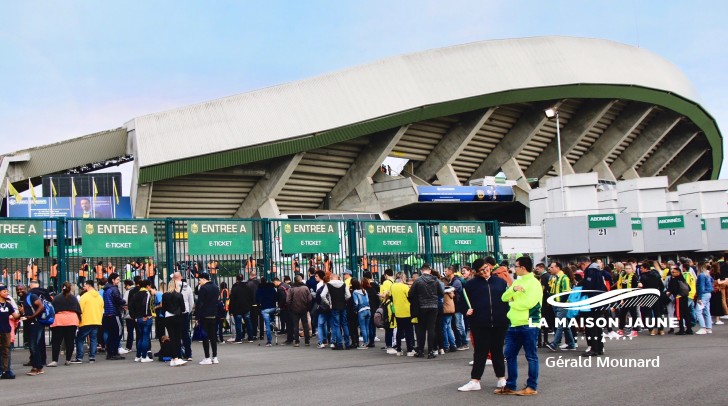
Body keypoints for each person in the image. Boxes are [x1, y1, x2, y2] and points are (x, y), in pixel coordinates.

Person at [458, 257, 509, 392]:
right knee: (480, 353)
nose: (485, 272)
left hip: (499, 322)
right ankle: (475, 380)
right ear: (476, 272)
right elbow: (462, 302)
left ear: (489, 266)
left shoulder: (501, 282)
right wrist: (466, 310)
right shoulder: (470, 285)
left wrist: (507, 316)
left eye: (486, 268)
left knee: (498, 351)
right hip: (479, 323)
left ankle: (501, 378)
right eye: (481, 270)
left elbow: (509, 300)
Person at [495, 256, 541, 396]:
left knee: (531, 356)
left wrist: (512, 302)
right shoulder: (518, 281)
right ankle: (510, 385)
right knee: (509, 355)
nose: (513, 268)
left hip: (529, 324)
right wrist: (514, 289)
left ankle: (531, 387)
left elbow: (529, 303)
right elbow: (503, 297)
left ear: (523, 268)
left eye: (516, 266)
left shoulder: (534, 283)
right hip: (514, 324)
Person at [409, 264, 444, 358]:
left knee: (421, 329)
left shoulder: (418, 281)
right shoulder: (435, 280)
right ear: (430, 270)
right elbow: (441, 293)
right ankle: (430, 351)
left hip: (422, 307)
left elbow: (410, 294)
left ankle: (420, 351)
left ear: (421, 271)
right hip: (433, 306)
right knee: (431, 329)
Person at [545, 262, 577, 351]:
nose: (549, 269)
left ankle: (554, 344)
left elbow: (566, 292)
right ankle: (571, 344)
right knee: (564, 324)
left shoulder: (564, 278)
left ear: (558, 268)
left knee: (560, 324)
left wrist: (561, 302)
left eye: (552, 267)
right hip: (556, 304)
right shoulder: (555, 277)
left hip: (561, 305)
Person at [48, 282, 81, 367]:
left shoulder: (56, 298)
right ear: (70, 289)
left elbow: (52, 310)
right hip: (72, 320)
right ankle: (68, 360)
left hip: (59, 320)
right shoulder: (73, 298)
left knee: (56, 341)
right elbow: (78, 310)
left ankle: (55, 360)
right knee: (70, 341)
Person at [580, 257, 607, 357]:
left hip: (593, 301)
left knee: (592, 326)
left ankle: (594, 348)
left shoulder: (590, 271)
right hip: (600, 300)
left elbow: (588, 285)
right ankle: (599, 347)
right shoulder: (598, 270)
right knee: (597, 326)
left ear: (584, 264)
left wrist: (581, 288)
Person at [17, 284, 46, 376]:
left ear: (26, 289)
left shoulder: (31, 296)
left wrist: (32, 316)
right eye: (17, 290)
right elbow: (23, 313)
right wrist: (22, 314)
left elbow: (41, 307)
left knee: (34, 346)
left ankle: (36, 367)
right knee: (32, 346)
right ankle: (38, 366)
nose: (19, 291)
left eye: (21, 289)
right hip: (28, 324)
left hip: (35, 323)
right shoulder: (21, 300)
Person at [72, 280, 103, 364]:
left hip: (86, 321)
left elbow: (79, 309)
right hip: (96, 320)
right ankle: (92, 357)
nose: (84, 287)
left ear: (88, 286)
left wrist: (79, 320)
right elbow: (101, 308)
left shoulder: (84, 296)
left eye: (85, 286)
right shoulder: (99, 297)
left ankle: (79, 357)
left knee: (80, 339)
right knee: (93, 339)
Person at [321, 273, 352, 350]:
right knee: (345, 324)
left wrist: (329, 303)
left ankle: (339, 344)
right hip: (343, 306)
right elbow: (348, 295)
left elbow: (322, 295)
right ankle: (347, 344)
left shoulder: (328, 284)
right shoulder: (344, 284)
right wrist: (344, 300)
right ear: (337, 277)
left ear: (331, 277)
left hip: (334, 306)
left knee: (337, 325)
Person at [162, 279, 188, 366]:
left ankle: (174, 358)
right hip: (178, 317)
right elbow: (183, 309)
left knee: (172, 337)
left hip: (168, 317)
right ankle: (178, 357)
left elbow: (163, 308)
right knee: (178, 338)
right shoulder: (179, 295)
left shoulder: (165, 295)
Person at [196, 273, 220, 364]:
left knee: (205, 336)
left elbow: (200, 303)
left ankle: (207, 357)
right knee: (213, 336)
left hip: (204, 315)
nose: (199, 282)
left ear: (204, 279)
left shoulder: (203, 288)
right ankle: (215, 356)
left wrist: (197, 316)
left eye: (200, 280)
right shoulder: (216, 287)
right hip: (213, 313)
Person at [129, 279, 155, 362]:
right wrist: (146, 315)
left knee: (140, 337)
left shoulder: (136, 294)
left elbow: (131, 306)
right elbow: (146, 304)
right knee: (145, 337)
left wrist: (134, 317)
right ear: (147, 286)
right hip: (145, 318)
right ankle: (144, 356)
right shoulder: (147, 294)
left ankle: (138, 355)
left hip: (138, 318)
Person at [102, 273, 126, 360]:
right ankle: (114, 352)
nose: (119, 282)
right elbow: (118, 299)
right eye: (118, 280)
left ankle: (109, 352)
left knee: (111, 334)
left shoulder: (106, 289)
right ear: (113, 280)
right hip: (114, 313)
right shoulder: (114, 289)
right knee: (118, 333)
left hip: (107, 313)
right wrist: (124, 303)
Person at [390, 271, 414, 356]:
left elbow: (391, 297)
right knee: (408, 331)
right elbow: (410, 297)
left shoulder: (392, 286)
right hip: (406, 311)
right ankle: (410, 350)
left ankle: (399, 349)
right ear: (403, 277)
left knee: (399, 331)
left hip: (397, 311)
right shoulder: (405, 287)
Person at [445, 265, 468, 350]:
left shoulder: (456, 281)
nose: (445, 272)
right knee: (455, 325)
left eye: (446, 270)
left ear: (451, 271)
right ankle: (459, 342)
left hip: (458, 306)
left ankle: (464, 343)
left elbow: (452, 290)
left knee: (459, 325)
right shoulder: (451, 280)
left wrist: (445, 289)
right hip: (454, 306)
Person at [287, 274, 313, 347]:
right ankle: (307, 341)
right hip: (304, 309)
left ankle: (297, 341)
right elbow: (310, 299)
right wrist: (308, 307)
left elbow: (288, 300)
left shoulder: (291, 289)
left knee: (296, 325)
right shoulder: (305, 288)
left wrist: (290, 307)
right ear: (301, 280)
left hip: (294, 309)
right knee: (305, 325)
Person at [0, 284, 20, 379]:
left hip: (6, 330)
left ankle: (5, 371)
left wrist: (21, 312)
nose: (6, 293)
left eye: (7, 291)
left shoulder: (8, 304)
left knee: (6, 351)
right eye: (4, 291)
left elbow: (15, 315)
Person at [227, 274, 254, 343]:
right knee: (248, 322)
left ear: (237, 279)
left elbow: (232, 300)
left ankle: (239, 338)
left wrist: (230, 310)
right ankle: (250, 337)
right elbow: (251, 298)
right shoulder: (247, 287)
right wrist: (249, 305)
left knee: (238, 324)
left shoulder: (235, 288)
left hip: (237, 308)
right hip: (246, 308)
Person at [666, 267, 694, 335]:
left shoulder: (674, 280)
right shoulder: (683, 279)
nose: (672, 273)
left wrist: (669, 292)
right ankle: (689, 329)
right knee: (686, 313)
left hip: (678, 297)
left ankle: (681, 329)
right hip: (685, 297)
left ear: (678, 272)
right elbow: (689, 289)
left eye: (673, 272)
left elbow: (673, 289)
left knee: (679, 314)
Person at [256, 277, 277, 347]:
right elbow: (276, 297)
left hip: (265, 308)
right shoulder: (272, 288)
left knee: (267, 325)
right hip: (273, 307)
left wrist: (259, 306)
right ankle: (272, 322)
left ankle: (269, 341)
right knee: (271, 317)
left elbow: (257, 299)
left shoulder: (260, 289)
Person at [351, 278, 372, 349]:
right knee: (367, 327)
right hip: (368, 309)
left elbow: (356, 303)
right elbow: (368, 300)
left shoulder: (355, 292)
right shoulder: (364, 291)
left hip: (361, 310)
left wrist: (355, 310)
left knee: (362, 328)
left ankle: (365, 343)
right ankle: (367, 342)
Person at [695, 262, 713, 334]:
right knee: (706, 311)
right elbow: (711, 281)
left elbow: (701, 287)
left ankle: (703, 328)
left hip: (703, 294)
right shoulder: (707, 274)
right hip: (708, 293)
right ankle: (709, 328)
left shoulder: (701, 275)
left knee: (698, 311)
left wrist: (699, 297)